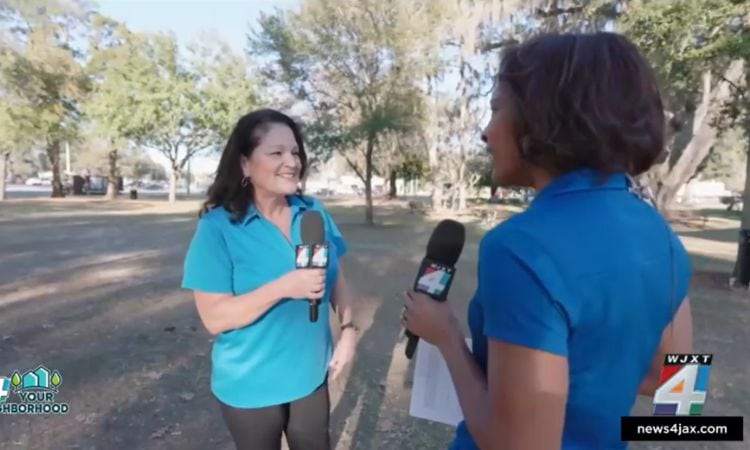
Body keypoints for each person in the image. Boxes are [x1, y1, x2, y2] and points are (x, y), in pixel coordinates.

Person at [401, 32, 693, 450]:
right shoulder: (662, 236)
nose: (486, 133)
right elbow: (681, 397)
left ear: (542, 119)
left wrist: (445, 336)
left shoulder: (521, 248)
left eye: (496, 110)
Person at [181, 108, 358, 450]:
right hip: (250, 384)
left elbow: (336, 277)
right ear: (245, 164)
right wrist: (283, 287)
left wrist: (349, 331)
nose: (291, 161)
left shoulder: (313, 212)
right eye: (276, 152)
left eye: (295, 152)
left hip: (310, 373)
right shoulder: (218, 228)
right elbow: (215, 318)